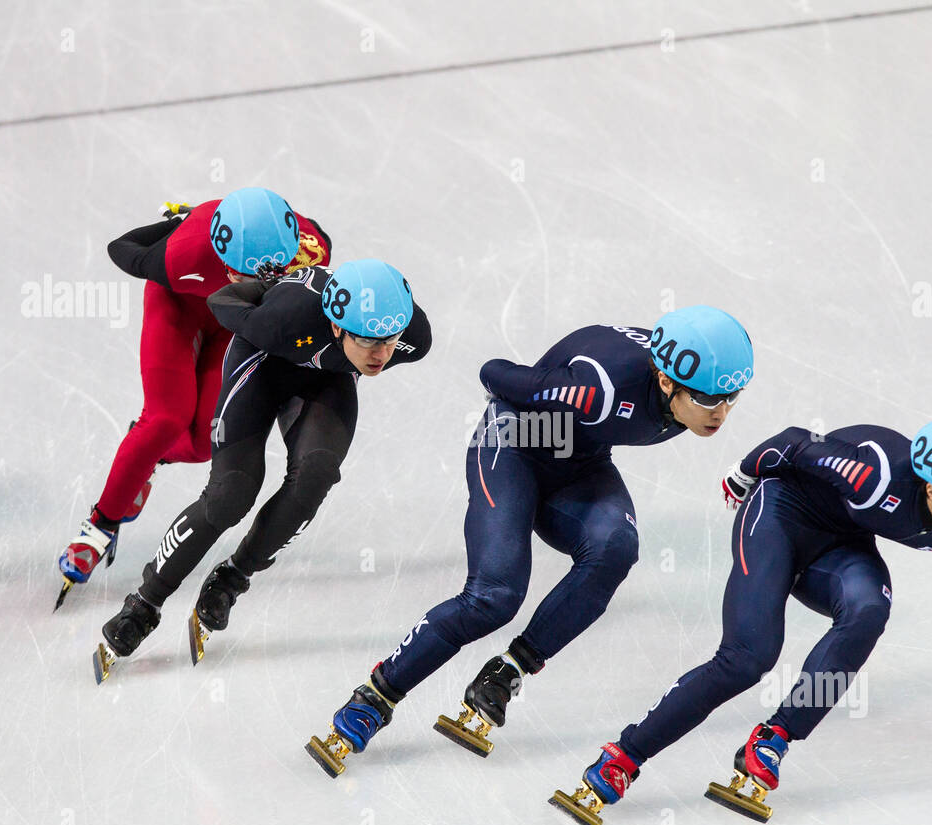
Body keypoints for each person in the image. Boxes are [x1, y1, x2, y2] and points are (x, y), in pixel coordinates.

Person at [307, 307, 755, 776]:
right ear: (666, 382)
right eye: (708, 400)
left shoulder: (681, 373)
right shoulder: (597, 390)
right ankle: (375, 697)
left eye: (731, 398)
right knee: (494, 597)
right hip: (513, 443)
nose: (721, 413)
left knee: (616, 547)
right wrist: (552, 393)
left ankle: (506, 674)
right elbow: (493, 373)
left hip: (577, 458)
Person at [551, 413, 932, 825]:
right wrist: (742, 473)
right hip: (778, 519)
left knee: (869, 609)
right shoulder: (871, 476)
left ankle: (773, 737)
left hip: (839, 544)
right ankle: (624, 757)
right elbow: (795, 442)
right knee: (747, 658)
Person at [91, 258, 431, 682]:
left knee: (317, 475)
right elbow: (221, 299)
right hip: (262, 364)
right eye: (368, 341)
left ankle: (232, 578)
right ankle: (144, 604)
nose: (381, 355)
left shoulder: (413, 338)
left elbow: (382, 343)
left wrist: (366, 347)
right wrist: (267, 287)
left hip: (325, 380)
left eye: (389, 339)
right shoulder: (285, 316)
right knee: (231, 496)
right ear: (339, 326)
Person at [56, 187, 331, 610]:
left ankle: (150, 457)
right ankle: (101, 523)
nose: (247, 283)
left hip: (231, 322)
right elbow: (122, 247)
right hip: (178, 308)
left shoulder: (310, 250)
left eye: (263, 277)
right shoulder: (183, 251)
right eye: (238, 272)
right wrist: (176, 225)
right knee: (165, 419)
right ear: (220, 253)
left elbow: (320, 248)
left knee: (206, 443)